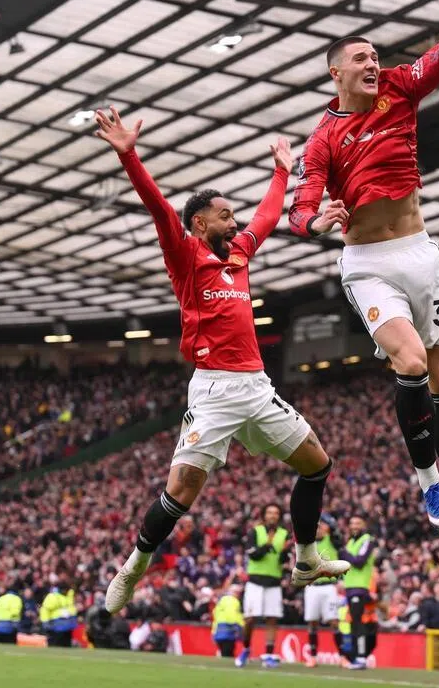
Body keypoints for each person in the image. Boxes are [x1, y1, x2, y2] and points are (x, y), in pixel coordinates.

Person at [93, 108, 349, 620]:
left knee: (317, 464)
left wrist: (282, 170)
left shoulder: (238, 257)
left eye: (234, 216)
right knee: (182, 491)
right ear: (199, 223)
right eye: (225, 216)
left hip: (256, 386)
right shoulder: (185, 254)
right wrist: (128, 155)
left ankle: (305, 560)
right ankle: (135, 565)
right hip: (212, 390)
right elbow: (158, 206)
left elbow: (268, 217)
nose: (235, 223)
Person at [288, 13, 439, 550]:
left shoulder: (399, 87)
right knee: (410, 363)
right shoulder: (323, 139)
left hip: (420, 253)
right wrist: (315, 221)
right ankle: (428, 483)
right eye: (360, 59)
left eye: (374, 55)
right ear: (334, 74)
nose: (372, 64)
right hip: (368, 264)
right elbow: (302, 206)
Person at [239, 503, 290, 669]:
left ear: (279, 516)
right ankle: (246, 648)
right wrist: (267, 545)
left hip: (274, 582)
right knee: (250, 619)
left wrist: (284, 553)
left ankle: (268, 654)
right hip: (255, 581)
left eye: (275, 513)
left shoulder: (284, 534)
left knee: (272, 619)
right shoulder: (255, 531)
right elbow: (253, 555)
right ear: (264, 515)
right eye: (269, 512)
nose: (272, 516)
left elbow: (284, 560)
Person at [303, 517, 343, 667]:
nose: (318, 529)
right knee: (312, 622)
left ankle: (342, 656)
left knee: (334, 622)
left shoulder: (331, 540)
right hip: (313, 586)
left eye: (320, 526)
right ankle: (313, 657)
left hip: (329, 586)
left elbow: (334, 528)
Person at [339, 515, 378, 669]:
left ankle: (361, 657)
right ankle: (357, 657)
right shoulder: (350, 541)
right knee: (354, 621)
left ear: (363, 524)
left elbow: (359, 561)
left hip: (360, 587)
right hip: (350, 587)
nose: (354, 526)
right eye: (352, 523)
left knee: (357, 620)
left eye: (358, 523)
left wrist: (343, 553)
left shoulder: (367, 539)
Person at [40, 580, 77, 648]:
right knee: (55, 644)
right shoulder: (53, 596)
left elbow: (72, 608)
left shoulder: (69, 596)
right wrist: (45, 622)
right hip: (55, 624)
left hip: (67, 625)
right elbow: (45, 609)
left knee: (66, 645)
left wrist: (73, 618)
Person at [211, 585, 245, 658]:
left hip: (219, 632)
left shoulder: (222, 601)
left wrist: (213, 633)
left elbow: (216, 617)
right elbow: (232, 616)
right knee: (228, 654)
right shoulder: (232, 600)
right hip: (228, 631)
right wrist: (238, 627)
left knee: (225, 653)